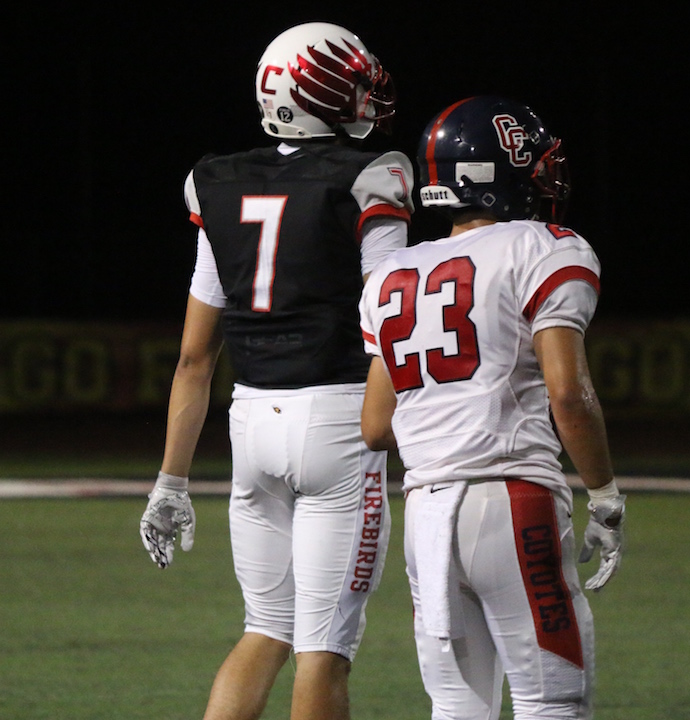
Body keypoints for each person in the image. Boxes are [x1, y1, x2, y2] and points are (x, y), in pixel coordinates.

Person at [138, 21, 414, 720]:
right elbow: (391, 323)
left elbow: (195, 357)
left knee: (264, 630)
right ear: (318, 91)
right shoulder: (372, 175)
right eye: (354, 81)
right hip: (339, 423)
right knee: (324, 651)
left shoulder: (215, 180)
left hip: (252, 423)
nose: (367, 94)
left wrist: (171, 479)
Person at [358, 95, 626, 719]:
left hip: (426, 514)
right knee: (553, 703)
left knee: (458, 709)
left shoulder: (393, 272)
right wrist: (605, 495)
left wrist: (446, 409)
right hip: (511, 499)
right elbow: (569, 394)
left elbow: (374, 426)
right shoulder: (543, 246)